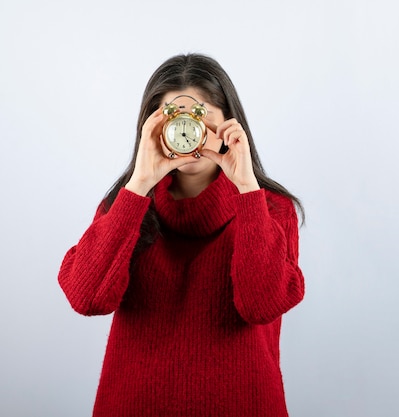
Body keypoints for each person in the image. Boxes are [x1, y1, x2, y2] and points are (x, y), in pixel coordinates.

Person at [58, 53, 305, 417]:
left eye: (202, 114)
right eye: (172, 116)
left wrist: (247, 190)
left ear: (229, 124)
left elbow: (261, 305)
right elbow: (86, 297)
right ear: (150, 128)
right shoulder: (124, 206)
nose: (189, 126)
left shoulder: (270, 209)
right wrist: (139, 183)